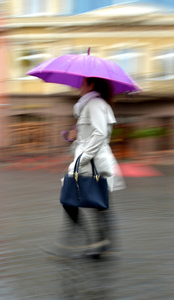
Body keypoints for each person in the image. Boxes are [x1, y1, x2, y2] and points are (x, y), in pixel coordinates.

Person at [48, 77, 125, 258]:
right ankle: (101, 242)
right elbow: (88, 136)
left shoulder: (95, 105)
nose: (78, 87)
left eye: (82, 84)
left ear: (91, 85)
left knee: (70, 199)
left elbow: (100, 134)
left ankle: (78, 242)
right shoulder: (87, 106)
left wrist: (83, 158)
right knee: (98, 203)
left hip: (92, 162)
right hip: (90, 161)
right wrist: (72, 137)